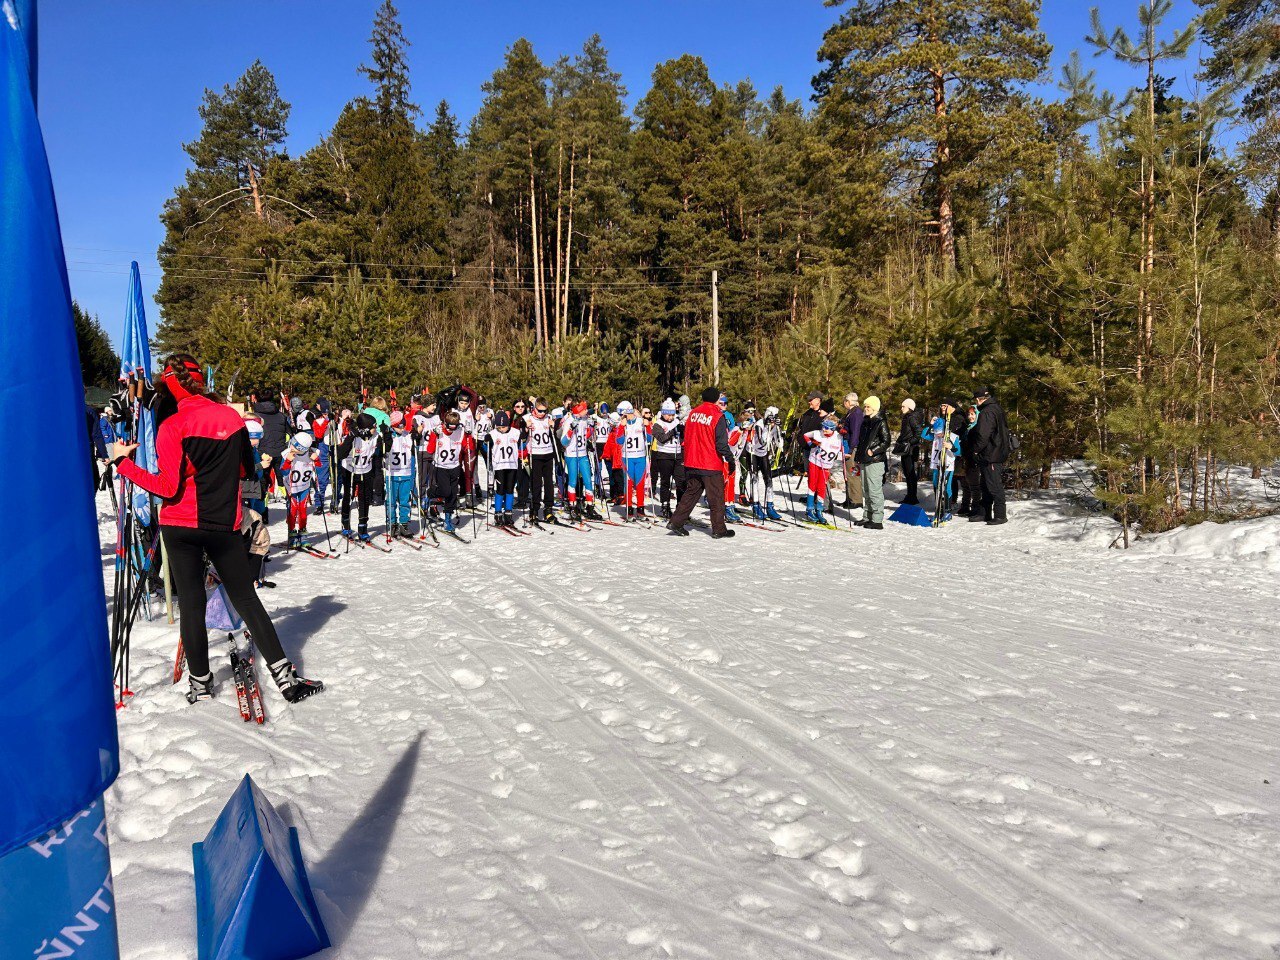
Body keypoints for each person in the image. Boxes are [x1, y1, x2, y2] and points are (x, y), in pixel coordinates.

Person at [109, 354, 321, 705]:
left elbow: (166, 487)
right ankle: (286, 679)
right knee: (247, 599)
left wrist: (122, 463)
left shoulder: (172, 425)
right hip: (223, 522)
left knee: (192, 604)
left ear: (171, 387)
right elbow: (244, 471)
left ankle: (201, 685)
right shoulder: (231, 418)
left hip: (181, 524)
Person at [669, 387, 736, 539]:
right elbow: (721, 444)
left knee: (691, 494)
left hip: (692, 461)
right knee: (716, 497)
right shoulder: (717, 415)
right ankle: (719, 529)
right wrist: (730, 459)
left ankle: (676, 521)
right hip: (710, 463)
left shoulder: (693, 413)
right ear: (715, 399)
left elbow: (687, 436)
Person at [338, 412, 382, 541]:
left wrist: (388, 435)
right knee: (348, 497)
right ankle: (345, 524)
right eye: (374, 426)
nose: (376, 428)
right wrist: (350, 437)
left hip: (366, 470)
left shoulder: (376, 437)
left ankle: (363, 527)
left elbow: (385, 450)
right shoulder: (354, 437)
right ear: (366, 429)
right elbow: (340, 454)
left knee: (364, 498)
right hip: (350, 470)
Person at [427, 410, 472, 533]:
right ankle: (431, 494)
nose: (451, 430)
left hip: (455, 467)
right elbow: (430, 450)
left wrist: (469, 435)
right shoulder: (438, 431)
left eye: (455, 427)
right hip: (440, 467)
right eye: (449, 427)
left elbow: (469, 448)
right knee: (446, 491)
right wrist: (434, 436)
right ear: (444, 424)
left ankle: (447, 519)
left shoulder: (460, 431)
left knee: (453, 494)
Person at [970, 385, 1010, 524]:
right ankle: (984, 512)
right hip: (993, 452)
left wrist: (975, 449)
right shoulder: (996, 408)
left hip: (991, 454)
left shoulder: (987, 412)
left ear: (979, 400)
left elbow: (983, 435)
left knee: (994, 485)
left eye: (975, 400)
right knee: (985, 484)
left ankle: (1000, 515)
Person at [561, 402, 603, 520]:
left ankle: (590, 507)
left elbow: (587, 436)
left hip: (583, 454)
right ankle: (572, 507)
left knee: (588, 480)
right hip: (572, 455)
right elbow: (563, 442)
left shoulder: (585, 419)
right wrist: (571, 429)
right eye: (584, 409)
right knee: (573, 481)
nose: (586, 411)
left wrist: (592, 427)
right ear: (579, 411)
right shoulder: (569, 421)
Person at [855, 395, 890, 530]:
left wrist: (873, 451)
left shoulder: (880, 421)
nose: (866, 409)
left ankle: (877, 519)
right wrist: (859, 455)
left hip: (875, 461)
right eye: (865, 406)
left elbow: (886, 441)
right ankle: (867, 517)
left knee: (874, 490)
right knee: (866, 489)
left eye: (868, 406)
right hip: (864, 459)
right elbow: (862, 441)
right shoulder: (866, 421)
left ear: (874, 408)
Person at [281, 432, 321, 550]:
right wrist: (288, 461)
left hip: (304, 486)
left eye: (294, 446)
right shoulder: (287, 454)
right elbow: (283, 472)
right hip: (291, 488)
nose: (291, 447)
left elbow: (320, 467)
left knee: (303, 511)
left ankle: (303, 534)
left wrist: (316, 460)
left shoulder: (312, 452)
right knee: (292, 511)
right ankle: (292, 533)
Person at [744, 405, 784, 522]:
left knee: (769, 479)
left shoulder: (773, 426)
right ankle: (756, 505)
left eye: (774, 419)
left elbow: (778, 443)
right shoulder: (759, 424)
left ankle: (770, 506)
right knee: (755, 479)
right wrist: (767, 427)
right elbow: (762, 441)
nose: (772, 422)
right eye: (771, 419)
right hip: (753, 452)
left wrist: (778, 430)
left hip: (763, 454)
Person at [923, 401, 961, 521]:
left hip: (948, 464)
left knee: (946, 486)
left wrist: (951, 447)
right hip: (936, 463)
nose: (938, 435)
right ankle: (938, 508)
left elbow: (959, 451)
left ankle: (948, 510)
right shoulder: (935, 435)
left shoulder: (953, 436)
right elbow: (924, 435)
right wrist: (931, 425)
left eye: (940, 432)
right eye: (937, 432)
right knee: (936, 485)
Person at [615, 401, 651, 519]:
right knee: (629, 484)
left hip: (640, 456)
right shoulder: (622, 424)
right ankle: (629, 509)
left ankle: (640, 509)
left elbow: (650, 439)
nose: (621, 417)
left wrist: (648, 426)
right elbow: (619, 441)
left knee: (640, 484)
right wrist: (621, 426)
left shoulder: (640, 422)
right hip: (627, 458)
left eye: (622, 414)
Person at [524, 400, 557, 525]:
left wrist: (553, 426)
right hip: (535, 454)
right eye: (540, 411)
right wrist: (526, 428)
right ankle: (534, 508)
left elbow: (555, 435)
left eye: (544, 411)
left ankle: (548, 508)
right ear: (534, 409)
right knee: (536, 483)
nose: (542, 413)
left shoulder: (549, 418)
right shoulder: (528, 418)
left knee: (549, 482)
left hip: (548, 453)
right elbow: (521, 435)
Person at [384, 411, 416, 538]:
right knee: (391, 501)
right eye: (398, 426)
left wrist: (417, 437)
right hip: (391, 474)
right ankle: (392, 523)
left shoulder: (407, 436)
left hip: (405, 473)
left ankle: (403, 523)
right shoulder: (388, 437)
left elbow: (412, 448)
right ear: (393, 425)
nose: (401, 429)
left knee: (404, 501)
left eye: (403, 426)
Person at [252, 391, 290, 495]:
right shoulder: (281, 415)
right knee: (283, 480)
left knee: (262, 482)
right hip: (280, 452)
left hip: (263, 454)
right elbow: (290, 433)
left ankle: (263, 505)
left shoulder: (255, 417)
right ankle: (290, 503)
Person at [650, 399, 684, 518]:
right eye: (668, 415)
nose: (671, 417)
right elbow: (661, 438)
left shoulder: (676, 421)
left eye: (672, 415)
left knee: (681, 481)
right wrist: (672, 431)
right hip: (664, 455)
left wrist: (682, 429)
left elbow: (683, 436)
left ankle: (681, 506)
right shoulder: (658, 424)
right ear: (663, 413)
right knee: (665, 482)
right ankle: (665, 506)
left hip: (678, 455)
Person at [489, 411, 522, 527]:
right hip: (499, 466)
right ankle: (498, 513)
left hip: (512, 465)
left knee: (510, 489)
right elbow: (485, 442)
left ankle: (508, 512)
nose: (502, 429)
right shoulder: (493, 433)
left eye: (504, 427)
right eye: (499, 427)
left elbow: (524, 437)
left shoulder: (515, 432)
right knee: (500, 489)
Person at [894, 398, 925, 505]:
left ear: (909, 408)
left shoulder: (911, 418)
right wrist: (900, 440)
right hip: (906, 449)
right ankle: (910, 495)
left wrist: (909, 443)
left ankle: (912, 497)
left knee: (910, 473)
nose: (901, 408)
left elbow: (918, 433)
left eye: (903, 406)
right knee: (907, 473)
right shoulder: (907, 417)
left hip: (910, 450)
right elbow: (906, 433)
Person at [838, 393, 863, 512]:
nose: (844, 403)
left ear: (849, 401)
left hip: (852, 447)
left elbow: (856, 432)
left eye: (845, 401)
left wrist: (851, 449)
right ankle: (849, 497)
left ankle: (856, 499)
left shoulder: (856, 413)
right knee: (848, 472)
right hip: (847, 444)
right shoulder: (851, 412)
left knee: (853, 472)